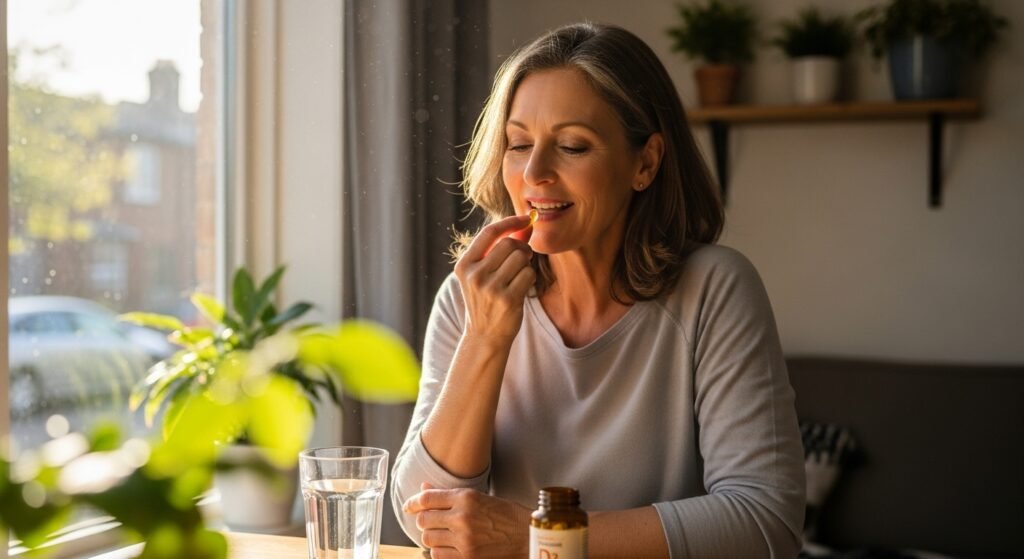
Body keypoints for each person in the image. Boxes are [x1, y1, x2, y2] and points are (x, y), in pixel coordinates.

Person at [392, 22, 805, 558]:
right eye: (518, 144)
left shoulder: (715, 289)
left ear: (645, 162)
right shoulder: (470, 294)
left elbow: (766, 520)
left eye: (571, 146)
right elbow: (421, 515)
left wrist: (537, 538)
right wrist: (486, 340)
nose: (534, 172)